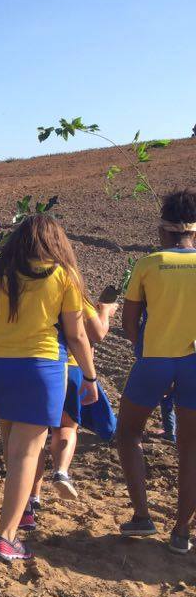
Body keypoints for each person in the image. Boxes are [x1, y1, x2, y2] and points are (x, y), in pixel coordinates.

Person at [0, 214, 98, 562]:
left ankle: (23, 512)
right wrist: (91, 379)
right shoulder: (65, 275)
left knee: (13, 450)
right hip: (42, 368)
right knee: (25, 453)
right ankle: (6, 537)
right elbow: (78, 335)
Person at [116, 188, 196, 554]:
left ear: (163, 231)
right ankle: (181, 533)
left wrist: (143, 353)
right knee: (190, 448)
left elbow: (129, 322)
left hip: (155, 361)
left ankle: (143, 516)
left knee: (129, 432)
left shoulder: (149, 264)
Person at [28, 293, 117, 516]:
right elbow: (98, 333)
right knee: (66, 427)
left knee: (35, 434)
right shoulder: (74, 294)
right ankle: (61, 471)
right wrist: (105, 310)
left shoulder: (35, 291)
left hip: (39, 364)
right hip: (72, 366)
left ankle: (32, 497)